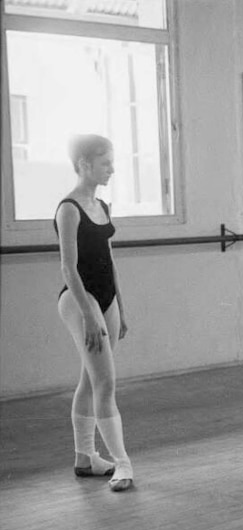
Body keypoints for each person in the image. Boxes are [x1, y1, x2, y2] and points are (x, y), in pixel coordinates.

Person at [54, 134, 133, 491]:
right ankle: (123, 464)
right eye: (106, 163)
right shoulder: (68, 208)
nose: (112, 169)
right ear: (84, 164)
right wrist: (89, 314)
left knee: (90, 379)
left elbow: (110, 260)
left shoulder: (102, 205)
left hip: (107, 299)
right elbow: (69, 269)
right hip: (79, 299)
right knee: (105, 382)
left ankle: (85, 458)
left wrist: (121, 307)